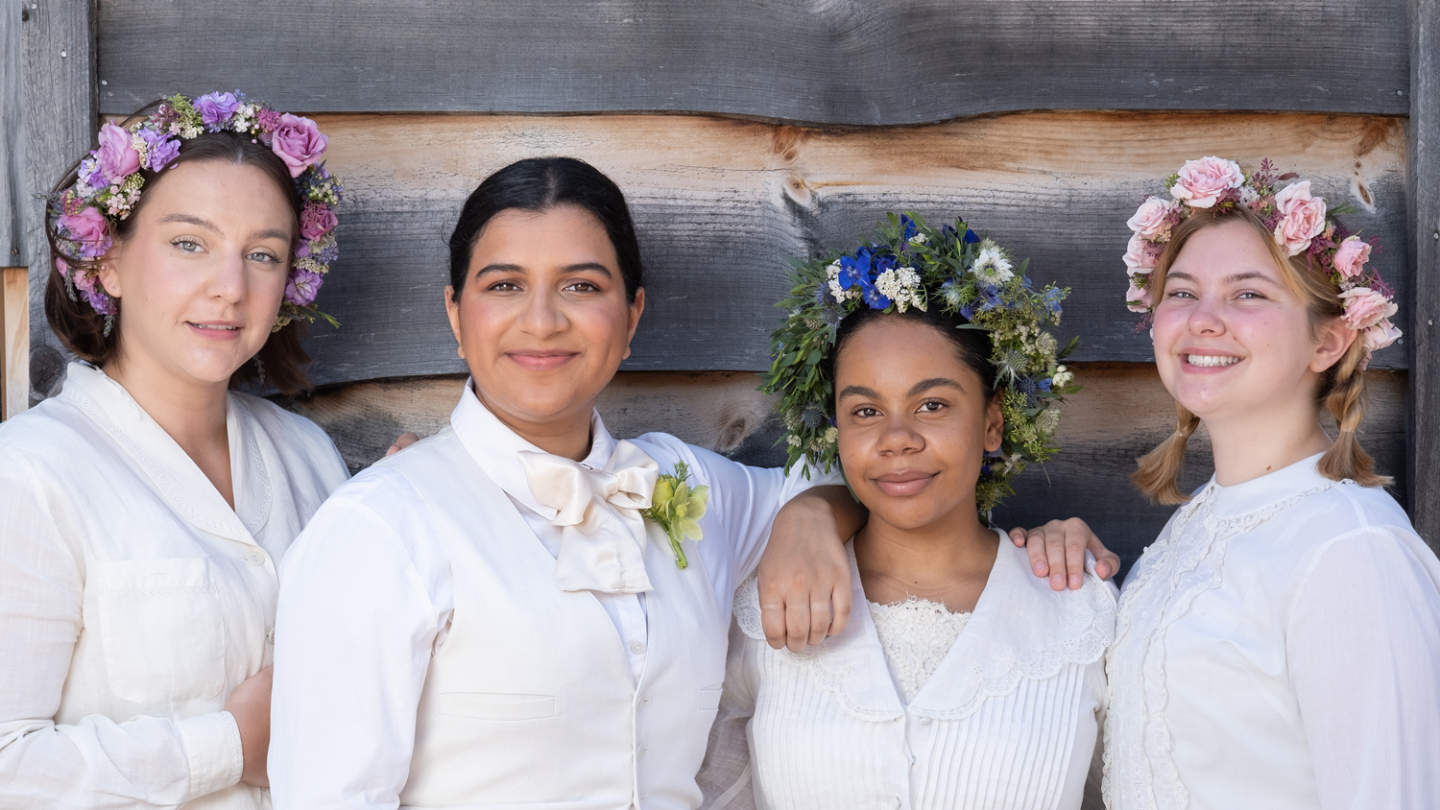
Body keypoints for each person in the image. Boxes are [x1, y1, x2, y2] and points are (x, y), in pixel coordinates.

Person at [267, 160, 1114, 809]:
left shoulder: (684, 484)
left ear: (631, 317)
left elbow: (868, 466)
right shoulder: (379, 531)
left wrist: (813, 519)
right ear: (456, 314)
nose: (542, 319)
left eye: (582, 286)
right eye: (505, 286)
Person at [0, 93, 347, 808]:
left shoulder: (310, 459)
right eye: (189, 243)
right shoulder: (30, 475)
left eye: (262, 254)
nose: (229, 288)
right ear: (110, 260)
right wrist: (230, 746)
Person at [698, 214, 1114, 810]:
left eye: (933, 404)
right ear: (836, 429)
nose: (897, 438)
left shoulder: (1078, 609)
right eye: (865, 411)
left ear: (992, 422)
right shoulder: (769, 608)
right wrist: (809, 511)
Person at [1104, 157, 1440, 808]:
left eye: (1248, 292)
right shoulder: (1194, 526)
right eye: (1181, 290)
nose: (1203, 318)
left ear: (1328, 343)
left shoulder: (1349, 552)